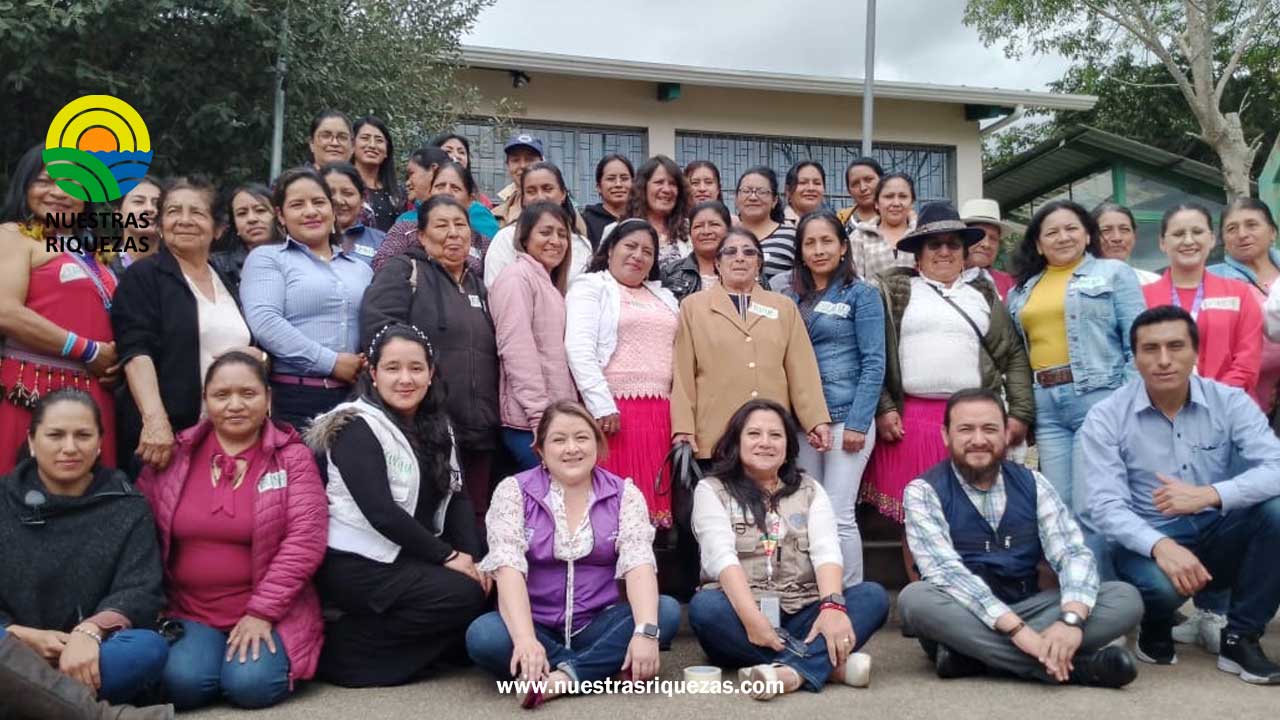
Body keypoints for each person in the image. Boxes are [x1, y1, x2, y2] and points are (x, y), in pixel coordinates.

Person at [1083, 305, 1280, 682]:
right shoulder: (1107, 416)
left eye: (1175, 346)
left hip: (1218, 534)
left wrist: (1210, 494)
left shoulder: (1230, 402)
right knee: (1160, 587)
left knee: (1276, 511)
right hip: (1149, 542)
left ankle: (1240, 638)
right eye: (1150, 349)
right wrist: (1161, 546)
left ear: (1196, 352)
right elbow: (1105, 506)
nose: (1163, 360)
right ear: (1135, 358)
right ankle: (1156, 621)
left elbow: (1276, 467)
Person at [898, 389, 1142, 687]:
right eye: (966, 429)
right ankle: (1077, 668)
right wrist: (1019, 633)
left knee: (1124, 598)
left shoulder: (1034, 483)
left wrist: (1071, 621)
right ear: (946, 436)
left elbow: (1071, 553)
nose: (978, 439)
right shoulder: (923, 491)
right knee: (915, 599)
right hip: (963, 614)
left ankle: (974, 658)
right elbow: (945, 572)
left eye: (989, 429)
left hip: (1030, 606)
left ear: (1006, 435)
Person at [136, 352, 326, 710]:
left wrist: (261, 613)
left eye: (248, 394)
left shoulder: (292, 457)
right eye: (222, 395)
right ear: (205, 400)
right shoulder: (176, 454)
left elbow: (306, 541)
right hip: (190, 611)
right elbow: (140, 530)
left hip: (269, 610)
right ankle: (209, 657)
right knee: (183, 685)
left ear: (268, 399)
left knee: (251, 686)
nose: (235, 405)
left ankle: (240, 661)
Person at [307, 324, 489, 687]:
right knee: (463, 596)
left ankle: (425, 650)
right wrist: (450, 559)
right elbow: (381, 512)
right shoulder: (354, 426)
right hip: (359, 563)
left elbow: (457, 497)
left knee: (486, 586)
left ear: (431, 373)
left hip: (412, 555)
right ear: (372, 374)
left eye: (416, 368)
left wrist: (474, 559)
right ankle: (342, 655)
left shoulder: (435, 422)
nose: (405, 379)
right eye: (392, 368)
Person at [466, 401, 681, 708]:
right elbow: (508, 567)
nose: (571, 448)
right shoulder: (514, 491)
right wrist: (526, 639)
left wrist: (645, 632)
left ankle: (562, 679)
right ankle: (601, 669)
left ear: (597, 443)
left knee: (664, 612)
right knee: (484, 636)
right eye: (558, 439)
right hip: (535, 623)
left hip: (599, 622)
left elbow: (639, 564)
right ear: (539, 448)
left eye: (581, 438)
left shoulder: (623, 494)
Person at [864, 202, 1034, 578]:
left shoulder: (984, 296)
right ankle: (924, 597)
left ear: (963, 252)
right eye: (933, 245)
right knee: (917, 515)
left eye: (952, 245)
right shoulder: (895, 291)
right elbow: (874, 353)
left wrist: (1020, 412)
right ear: (918, 253)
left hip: (972, 419)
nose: (943, 252)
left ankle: (971, 593)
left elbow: (1014, 357)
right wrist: (884, 405)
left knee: (970, 510)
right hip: (912, 420)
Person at [688, 399, 889, 701]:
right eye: (754, 434)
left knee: (871, 596)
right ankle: (825, 664)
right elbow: (721, 557)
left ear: (788, 446)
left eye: (776, 435)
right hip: (742, 614)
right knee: (705, 609)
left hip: (803, 612)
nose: (765, 443)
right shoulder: (711, 490)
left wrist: (832, 608)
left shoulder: (810, 489)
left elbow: (827, 551)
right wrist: (753, 620)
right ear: (735, 442)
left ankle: (787, 673)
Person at [0, 390, 168, 706]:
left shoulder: (128, 505)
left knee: (148, 649)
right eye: (55, 435)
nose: (69, 448)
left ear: (100, 443)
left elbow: (140, 590)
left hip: (91, 653)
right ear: (32, 441)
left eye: (82, 435)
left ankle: (27, 702)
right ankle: (78, 709)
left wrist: (90, 631)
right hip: (10, 648)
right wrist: (20, 635)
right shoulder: (3, 500)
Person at [360, 195, 500, 524]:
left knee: (474, 516)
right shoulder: (404, 271)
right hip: (422, 425)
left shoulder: (479, 285)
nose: (453, 233)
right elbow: (378, 330)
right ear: (421, 236)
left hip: (478, 428)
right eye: (441, 225)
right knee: (424, 515)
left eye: (460, 224)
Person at [1005, 199, 1145, 519]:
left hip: (1098, 397)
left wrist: (1126, 398)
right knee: (1059, 507)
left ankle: (1101, 571)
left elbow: (1139, 343)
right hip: (1045, 404)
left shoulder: (1114, 273)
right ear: (1039, 245)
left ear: (1087, 236)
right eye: (1052, 232)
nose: (1063, 237)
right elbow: (1017, 357)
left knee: (1091, 503)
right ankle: (1072, 571)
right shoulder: (1020, 292)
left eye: (1071, 229)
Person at [769, 210, 885, 586]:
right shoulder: (787, 296)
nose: (819, 250)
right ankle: (814, 593)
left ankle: (849, 596)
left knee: (837, 513)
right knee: (806, 513)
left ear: (843, 247)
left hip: (844, 419)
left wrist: (858, 422)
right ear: (800, 251)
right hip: (802, 422)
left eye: (827, 241)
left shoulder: (862, 294)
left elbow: (874, 362)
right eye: (810, 243)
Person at [112, 177, 253, 475]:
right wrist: (154, 420)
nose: (185, 220)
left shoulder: (225, 280)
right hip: (166, 439)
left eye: (197, 213)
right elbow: (135, 350)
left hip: (227, 436)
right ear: (161, 225)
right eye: (174, 212)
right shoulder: (145, 275)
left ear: (218, 229)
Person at [0, 145, 120, 473]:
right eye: (44, 181)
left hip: (96, 396)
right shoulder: (13, 236)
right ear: (25, 187)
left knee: (90, 505)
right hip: (32, 388)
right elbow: (5, 311)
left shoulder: (91, 251)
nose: (58, 192)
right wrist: (88, 350)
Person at [670, 227, 831, 462]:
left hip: (769, 434)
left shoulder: (783, 307)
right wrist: (683, 426)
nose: (740, 258)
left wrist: (815, 420)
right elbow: (683, 374)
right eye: (730, 252)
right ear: (717, 263)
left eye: (748, 252)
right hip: (715, 433)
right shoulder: (693, 307)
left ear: (759, 263)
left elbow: (802, 370)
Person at [565, 219, 680, 526]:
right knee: (614, 511)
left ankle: (648, 573)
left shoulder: (663, 296)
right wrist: (601, 405)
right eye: (630, 246)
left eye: (647, 251)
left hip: (661, 414)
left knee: (652, 512)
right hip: (614, 414)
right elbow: (579, 348)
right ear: (611, 248)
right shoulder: (592, 286)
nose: (638, 256)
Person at [240, 167, 373, 431]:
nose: (311, 211)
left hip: (356, 397)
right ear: (280, 215)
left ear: (332, 210)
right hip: (296, 398)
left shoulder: (361, 269)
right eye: (297, 205)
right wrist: (331, 362)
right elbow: (266, 322)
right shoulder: (268, 258)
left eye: (319, 202)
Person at [1143, 204, 1262, 405]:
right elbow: (1140, 361)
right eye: (1178, 233)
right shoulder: (1142, 298)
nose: (1188, 240)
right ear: (1163, 243)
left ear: (1212, 239)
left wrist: (1212, 400)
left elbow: (1247, 362)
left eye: (1197, 232)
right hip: (1166, 412)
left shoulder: (1239, 293)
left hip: (1231, 410)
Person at [490, 202, 579, 470]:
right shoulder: (517, 277)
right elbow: (516, 350)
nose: (556, 241)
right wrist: (540, 418)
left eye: (562, 234)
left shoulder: (547, 283)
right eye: (545, 232)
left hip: (554, 421)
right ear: (525, 238)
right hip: (529, 424)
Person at [0, 625, 172, 719]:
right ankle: (99, 715)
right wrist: (16, 632)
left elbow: (138, 587)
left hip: (88, 645)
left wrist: (90, 629)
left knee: (144, 649)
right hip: (18, 647)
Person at [1212, 198, 1280, 415]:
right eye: (1232, 228)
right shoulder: (1212, 281)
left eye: (1252, 225)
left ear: (1272, 232)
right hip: (1238, 404)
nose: (1242, 234)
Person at [483, 162, 593, 288]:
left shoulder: (582, 245)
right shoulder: (506, 238)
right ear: (523, 198)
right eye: (531, 191)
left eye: (547, 189)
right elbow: (496, 289)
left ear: (563, 194)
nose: (540, 197)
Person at [370, 146, 451, 272]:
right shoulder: (405, 221)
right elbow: (383, 264)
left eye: (411, 174)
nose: (407, 183)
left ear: (433, 170)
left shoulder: (474, 214)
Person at [616, 155, 691, 267]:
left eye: (672, 184)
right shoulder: (617, 230)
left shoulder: (691, 230)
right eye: (659, 182)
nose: (666, 190)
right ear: (643, 187)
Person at [211, 183, 282, 298]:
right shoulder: (219, 266)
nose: (251, 219)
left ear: (278, 216)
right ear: (235, 225)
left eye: (260, 210)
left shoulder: (298, 255)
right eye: (242, 213)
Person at [847, 172, 917, 280]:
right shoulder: (860, 237)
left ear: (912, 202)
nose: (896, 203)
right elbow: (854, 283)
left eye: (903, 196)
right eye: (889, 197)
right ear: (876, 203)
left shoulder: (922, 235)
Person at [429, 132, 500, 238]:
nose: (456, 156)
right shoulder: (411, 217)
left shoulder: (478, 211)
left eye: (461, 152)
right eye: (448, 151)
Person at [735, 166, 796, 283]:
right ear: (736, 198)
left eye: (762, 192)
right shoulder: (725, 235)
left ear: (774, 200)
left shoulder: (792, 236)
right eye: (746, 191)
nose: (753, 197)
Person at [427, 161, 491, 269]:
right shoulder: (406, 232)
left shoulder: (482, 243)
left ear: (470, 199)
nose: (446, 192)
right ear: (429, 193)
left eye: (455, 188)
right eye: (440, 186)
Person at [321, 161, 387, 267]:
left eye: (347, 193)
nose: (339, 200)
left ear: (363, 198)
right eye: (330, 193)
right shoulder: (304, 239)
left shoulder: (383, 242)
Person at [662, 200, 729, 302]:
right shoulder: (670, 272)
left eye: (714, 224)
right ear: (690, 233)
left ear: (729, 230)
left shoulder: (744, 269)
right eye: (698, 226)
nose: (706, 231)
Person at [352, 116, 403, 232]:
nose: (372, 145)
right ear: (352, 145)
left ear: (387, 151)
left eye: (379, 140)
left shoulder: (399, 194)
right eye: (365, 138)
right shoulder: (340, 187)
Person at [959, 198, 1015, 299]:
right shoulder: (942, 279)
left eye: (993, 238)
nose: (986, 244)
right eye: (979, 236)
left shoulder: (1009, 283)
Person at [108, 177, 164, 277]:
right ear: (118, 215)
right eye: (139, 202)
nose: (150, 209)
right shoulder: (101, 266)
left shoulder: (180, 267)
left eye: (157, 204)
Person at [1093, 203, 1161, 285]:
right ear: (1089, 237)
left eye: (1124, 229)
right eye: (1106, 230)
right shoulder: (1077, 284)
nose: (1117, 238)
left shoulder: (1152, 282)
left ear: (1134, 235)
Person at [493, 133, 545, 228]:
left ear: (542, 163)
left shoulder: (560, 206)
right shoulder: (495, 215)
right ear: (507, 165)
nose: (523, 166)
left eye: (530, 159)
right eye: (515, 160)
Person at [582, 153, 634, 248]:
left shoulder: (641, 218)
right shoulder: (585, 222)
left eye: (624, 178)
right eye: (611, 179)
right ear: (598, 187)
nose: (618, 184)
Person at [836, 156, 884, 228]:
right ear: (849, 190)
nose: (863, 188)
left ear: (882, 180)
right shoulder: (840, 220)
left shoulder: (898, 216)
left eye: (868, 180)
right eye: (855, 183)